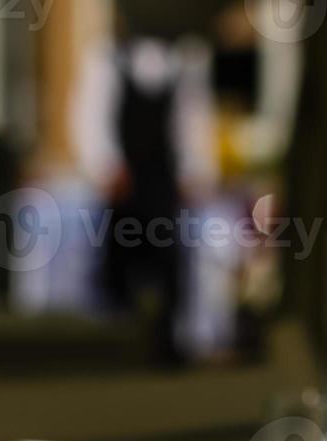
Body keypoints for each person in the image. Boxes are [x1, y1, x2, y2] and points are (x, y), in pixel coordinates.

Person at [74, 24, 218, 365]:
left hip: (162, 180)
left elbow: (193, 118)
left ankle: (167, 340)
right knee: (120, 261)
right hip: (124, 183)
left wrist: (195, 169)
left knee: (168, 262)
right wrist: (105, 165)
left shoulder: (187, 58)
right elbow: (89, 115)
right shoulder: (107, 56)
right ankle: (117, 340)